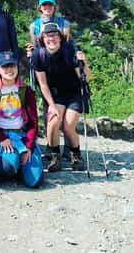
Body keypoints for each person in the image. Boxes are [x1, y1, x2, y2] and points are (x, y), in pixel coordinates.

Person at [32, 22, 91, 171]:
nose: (51, 39)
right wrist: (51, 106)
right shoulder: (38, 55)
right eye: (48, 36)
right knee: (53, 122)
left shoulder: (70, 51)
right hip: (55, 95)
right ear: (42, 38)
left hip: (73, 93)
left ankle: (76, 154)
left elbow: (86, 78)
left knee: (68, 125)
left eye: (55, 35)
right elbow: (43, 84)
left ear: (60, 37)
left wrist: (84, 62)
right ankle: (54, 156)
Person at [0, 51, 43, 187]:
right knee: (7, 168)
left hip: (22, 136)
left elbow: (33, 122)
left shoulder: (25, 91)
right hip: (1, 135)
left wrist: (28, 146)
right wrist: (1, 138)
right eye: (5, 67)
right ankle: (11, 165)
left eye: (12, 66)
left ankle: (23, 164)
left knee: (35, 181)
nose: (9, 70)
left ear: (17, 67)